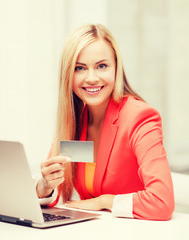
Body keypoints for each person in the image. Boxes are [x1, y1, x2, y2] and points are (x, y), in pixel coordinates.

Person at [36, 23, 175, 220]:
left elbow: (162, 202)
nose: (91, 78)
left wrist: (104, 201)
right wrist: (45, 185)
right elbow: (60, 190)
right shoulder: (75, 119)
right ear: (68, 74)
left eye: (102, 66)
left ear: (116, 68)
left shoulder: (140, 118)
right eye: (79, 68)